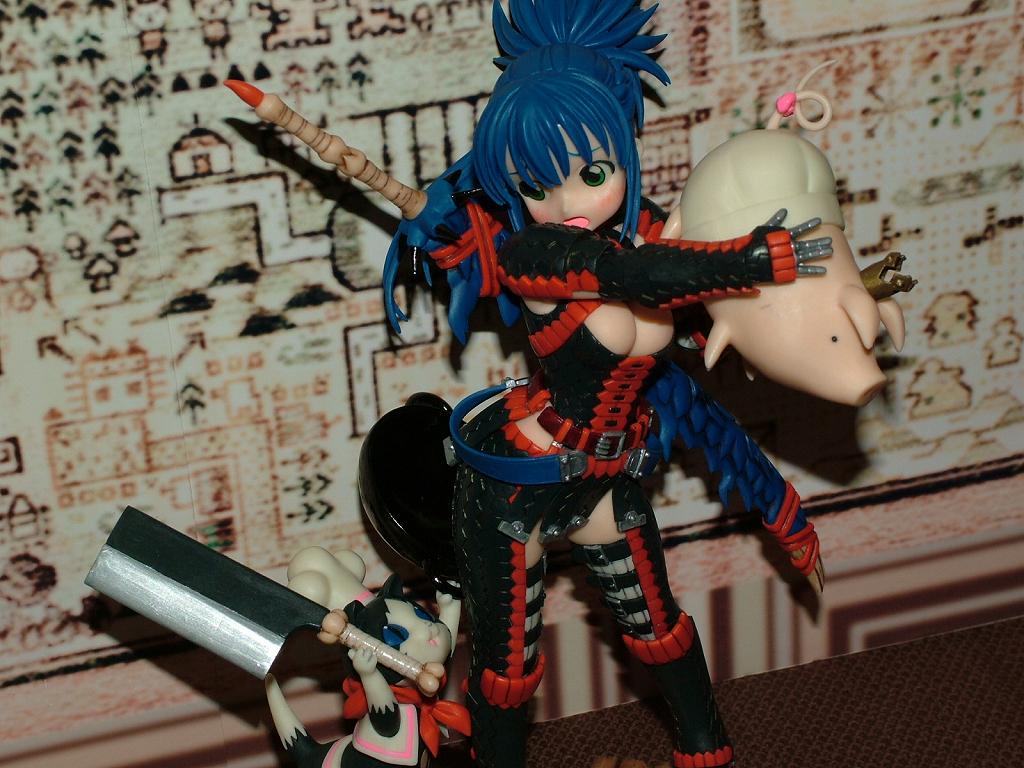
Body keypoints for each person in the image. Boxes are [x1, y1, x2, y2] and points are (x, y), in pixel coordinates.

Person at [228, 2, 829, 765]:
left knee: (659, 624)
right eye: (540, 185)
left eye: (593, 173)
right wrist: (747, 261)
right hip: (515, 492)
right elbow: (635, 275)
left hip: (603, 472)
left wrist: (782, 494)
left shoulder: (650, 234)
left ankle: (706, 755)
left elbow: (688, 356)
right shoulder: (535, 254)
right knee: (507, 670)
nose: (569, 203)